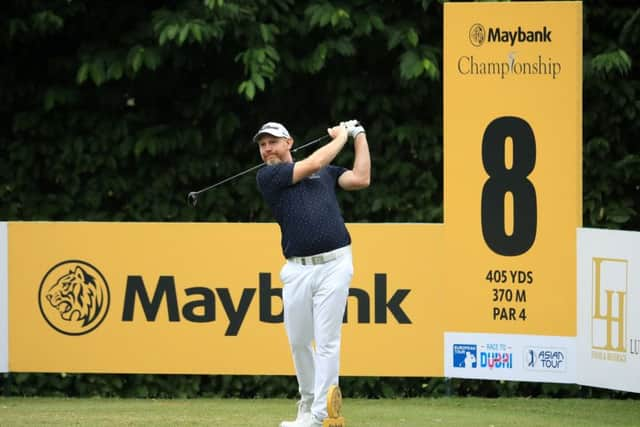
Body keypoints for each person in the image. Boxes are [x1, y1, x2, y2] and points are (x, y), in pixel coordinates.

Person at [254, 120, 370, 427]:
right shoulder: (268, 176)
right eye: (263, 144)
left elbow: (361, 179)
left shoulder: (326, 173)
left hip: (336, 263)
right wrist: (342, 136)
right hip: (297, 270)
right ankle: (307, 405)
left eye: (273, 142)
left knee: (328, 341)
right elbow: (316, 160)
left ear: (288, 142)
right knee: (299, 340)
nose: (267, 149)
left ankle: (321, 416)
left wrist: (359, 136)